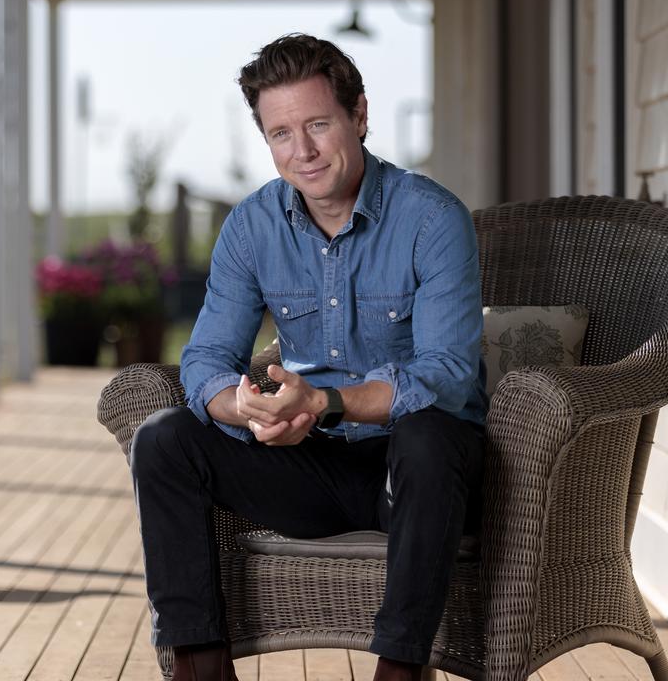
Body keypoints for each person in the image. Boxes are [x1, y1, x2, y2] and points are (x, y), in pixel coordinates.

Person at [129, 33, 487, 681]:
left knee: (432, 436)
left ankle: (401, 670)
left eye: (319, 124)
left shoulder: (433, 219)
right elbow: (207, 355)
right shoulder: (251, 227)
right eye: (281, 133)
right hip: (306, 465)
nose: (304, 151)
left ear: (360, 116)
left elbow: (448, 375)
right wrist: (237, 407)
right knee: (164, 440)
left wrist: (326, 402)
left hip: (410, 474)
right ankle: (199, 669)